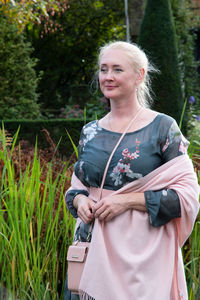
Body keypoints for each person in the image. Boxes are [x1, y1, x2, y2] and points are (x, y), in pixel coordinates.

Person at [64, 41, 199, 300]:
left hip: (142, 265)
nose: (108, 77)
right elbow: (75, 190)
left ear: (140, 75)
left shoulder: (163, 128)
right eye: (103, 70)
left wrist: (127, 201)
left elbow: (187, 198)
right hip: (92, 256)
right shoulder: (90, 131)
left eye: (117, 69)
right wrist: (80, 201)